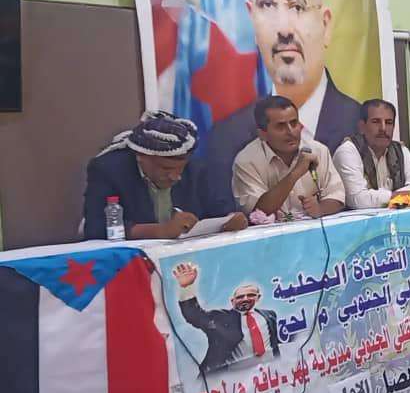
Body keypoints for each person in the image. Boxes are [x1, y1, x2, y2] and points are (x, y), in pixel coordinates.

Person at [205, 0, 360, 198]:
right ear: (252, 20)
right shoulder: (226, 138)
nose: (284, 29)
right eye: (267, 5)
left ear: (325, 24)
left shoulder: (361, 123)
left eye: (297, 6)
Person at [82, 111, 247, 240]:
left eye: (181, 168)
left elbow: (221, 211)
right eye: (166, 168)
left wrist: (232, 220)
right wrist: (159, 231)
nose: (176, 176)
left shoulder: (197, 169)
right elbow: (95, 228)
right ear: (141, 156)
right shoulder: (109, 170)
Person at [232, 96, 345, 219]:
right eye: (281, 126)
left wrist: (320, 208)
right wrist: (295, 174)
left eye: (294, 123)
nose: (291, 132)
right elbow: (257, 212)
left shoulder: (318, 150)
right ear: (262, 134)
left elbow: (337, 196)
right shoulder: (247, 161)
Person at [172, 262, 280, 373]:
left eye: (251, 295)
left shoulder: (269, 315)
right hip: (230, 377)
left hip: (268, 372)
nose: (245, 299)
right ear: (232, 301)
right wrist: (187, 287)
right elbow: (194, 315)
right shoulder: (220, 318)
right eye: (240, 297)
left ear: (258, 297)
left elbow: (275, 342)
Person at [332, 100, 410, 209]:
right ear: (362, 127)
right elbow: (358, 199)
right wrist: (408, 196)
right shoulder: (348, 151)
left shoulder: (400, 150)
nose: (383, 128)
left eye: (389, 122)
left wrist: (387, 198)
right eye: (376, 122)